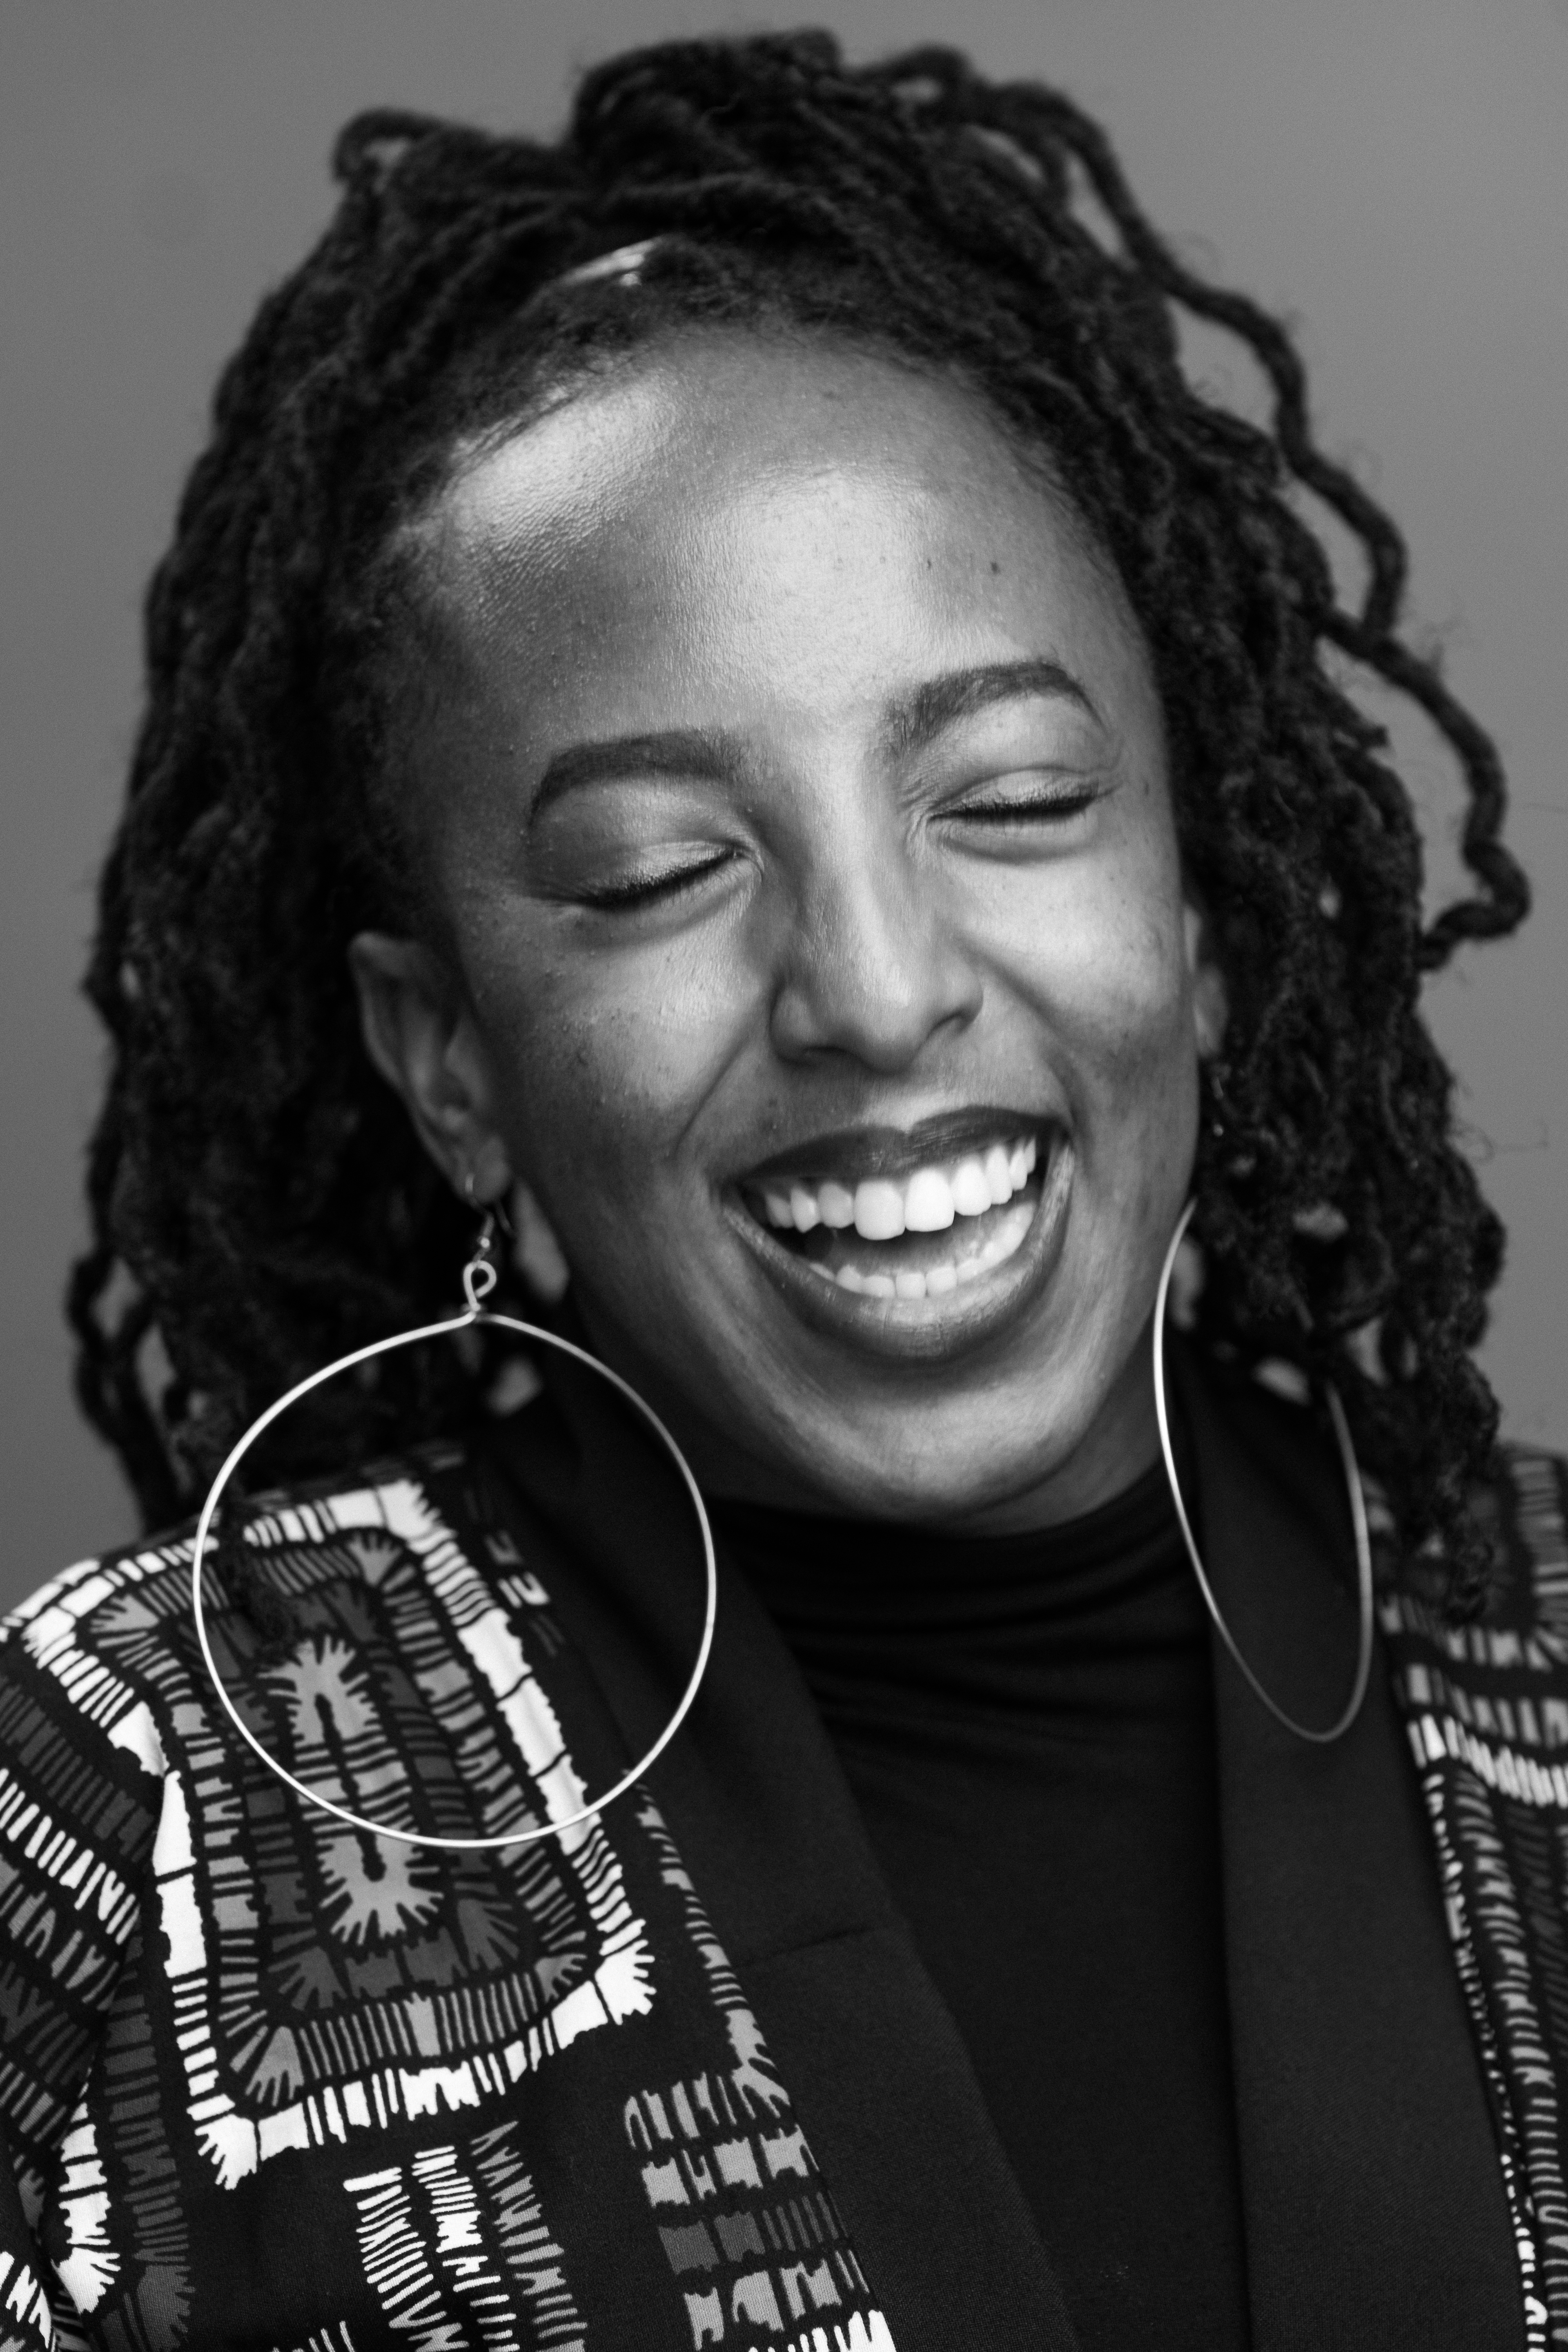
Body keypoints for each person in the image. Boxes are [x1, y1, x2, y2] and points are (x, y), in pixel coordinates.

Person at [0, 26, 1558, 2351]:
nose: (872, 983)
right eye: (658, 871)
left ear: (1206, 918)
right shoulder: (141, 1805)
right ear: (452, 1065)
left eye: (1013, 799)